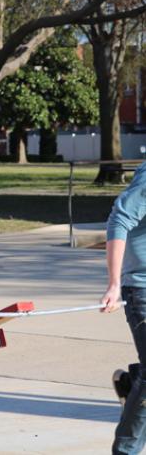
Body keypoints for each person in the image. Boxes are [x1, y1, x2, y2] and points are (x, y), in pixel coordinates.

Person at [100, 161, 146, 454]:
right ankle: (126, 450)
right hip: (142, 288)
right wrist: (114, 284)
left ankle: (133, 385)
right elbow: (120, 219)